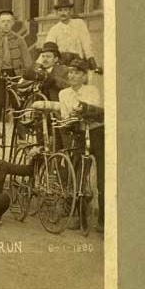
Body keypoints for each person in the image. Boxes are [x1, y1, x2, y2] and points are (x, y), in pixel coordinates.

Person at [58, 59, 104, 230]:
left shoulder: (92, 90)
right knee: (78, 174)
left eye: (76, 72)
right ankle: (79, 216)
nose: (72, 75)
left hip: (95, 132)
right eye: (70, 72)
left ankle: (102, 221)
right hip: (77, 134)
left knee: (102, 174)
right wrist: (71, 116)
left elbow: (96, 109)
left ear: (84, 76)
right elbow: (65, 117)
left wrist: (83, 109)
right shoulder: (63, 94)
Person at [44, 0, 97, 69]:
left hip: (78, 62)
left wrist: (91, 60)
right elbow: (49, 48)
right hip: (62, 63)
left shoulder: (79, 24)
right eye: (60, 10)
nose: (63, 13)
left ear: (70, 11)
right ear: (57, 13)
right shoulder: (54, 29)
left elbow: (86, 44)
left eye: (65, 10)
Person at [0, 9, 33, 78]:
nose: (6, 24)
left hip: (15, 74)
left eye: (8, 21)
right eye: (3, 21)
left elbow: (27, 60)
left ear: (13, 23)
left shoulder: (19, 39)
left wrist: (23, 75)